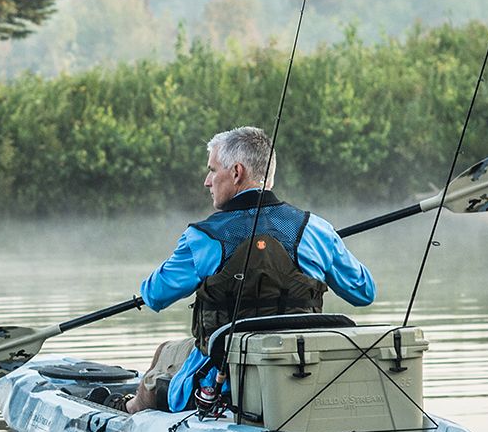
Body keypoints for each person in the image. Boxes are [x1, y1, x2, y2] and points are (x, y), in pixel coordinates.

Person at [128, 126, 376, 413]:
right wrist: (328, 249)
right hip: (301, 369)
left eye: (212, 170)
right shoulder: (316, 230)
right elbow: (364, 292)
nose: (208, 182)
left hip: (221, 378)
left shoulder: (202, 238)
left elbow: (154, 296)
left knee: (162, 356)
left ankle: (130, 409)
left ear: (236, 172)